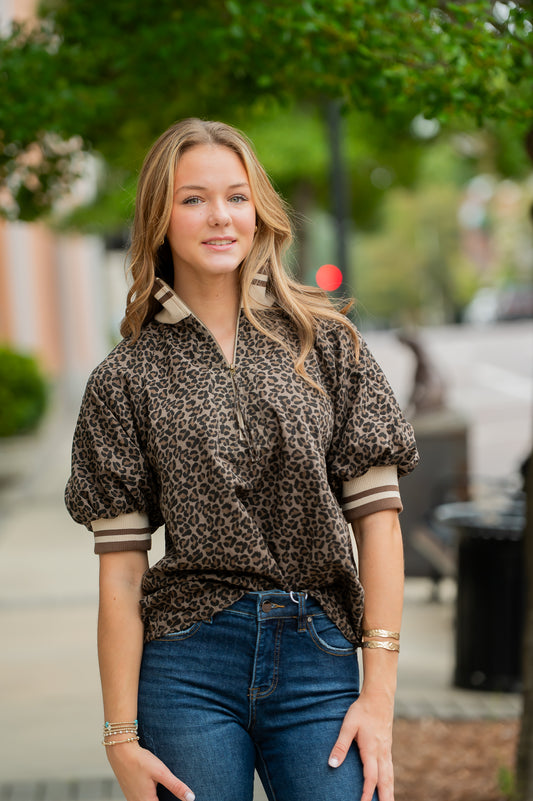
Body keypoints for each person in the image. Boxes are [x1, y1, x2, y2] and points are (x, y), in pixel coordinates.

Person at [65, 118, 418, 801]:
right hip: (186, 666)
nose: (220, 216)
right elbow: (122, 571)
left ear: (259, 211)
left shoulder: (327, 344)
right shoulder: (124, 379)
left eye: (236, 196)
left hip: (319, 659)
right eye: (193, 199)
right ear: (159, 217)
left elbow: (379, 523)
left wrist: (378, 697)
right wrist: (120, 738)